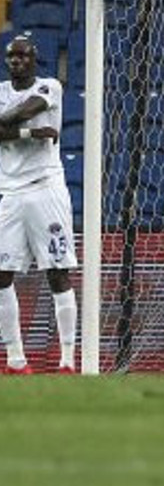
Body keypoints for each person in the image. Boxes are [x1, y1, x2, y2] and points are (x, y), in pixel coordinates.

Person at [0, 36, 76, 375]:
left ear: (35, 58)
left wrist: (9, 124)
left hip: (46, 190)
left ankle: (68, 361)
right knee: (1, 276)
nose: (16, 61)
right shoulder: (1, 90)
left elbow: (24, 111)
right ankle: (16, 361)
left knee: (57, 273)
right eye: (11, 56)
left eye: (22, 56)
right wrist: (32, 135)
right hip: (10, 193)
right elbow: (14, 122)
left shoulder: (50, 87)